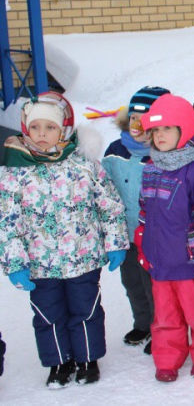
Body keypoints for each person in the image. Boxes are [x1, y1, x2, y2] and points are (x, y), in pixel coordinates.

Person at [0, 92, 128, 388]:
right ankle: (58, 362)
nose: (42, 134)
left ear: (64, 130)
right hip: (39, 265)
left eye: (50, 127)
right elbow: (7, 222)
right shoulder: (15, 171)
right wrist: (15, 263)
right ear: (25, 129)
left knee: (86, 310)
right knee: (48, 315)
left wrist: (115, 243)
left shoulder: (83, 165)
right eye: (35, 127)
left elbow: (109, 205)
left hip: (83, 258)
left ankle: (87, 359)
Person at [137, 94, 194, 382]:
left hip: (189, 263)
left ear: (184, 130)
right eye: (156, 130)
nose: (160, 136)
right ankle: (167, 358)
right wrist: (142, 244)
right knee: (164, 317)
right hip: (160, 262)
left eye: (168, 129)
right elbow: (144, 211)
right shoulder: (150, 167)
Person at [102, 85, 170, 355]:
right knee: (132, 283)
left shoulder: (164, 153)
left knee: (155, 286)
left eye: (145, 119)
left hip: (155, 237)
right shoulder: (115, 150)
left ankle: (161, 327)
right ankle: (142, 322)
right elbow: (104, 188)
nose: (137, 125)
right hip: (124, 234)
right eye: (133, 118)